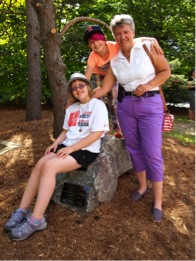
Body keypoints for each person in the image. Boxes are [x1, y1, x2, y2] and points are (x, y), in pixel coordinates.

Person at [3, 73, 109, 240]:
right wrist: (55, 143)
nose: (77, 89)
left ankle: (36, 220)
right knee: (40, 165)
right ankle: (22, 210)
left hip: (85, 150)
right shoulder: (72, 108)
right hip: (67, 145)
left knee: (50, 167)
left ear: (88, 87)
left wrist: (71, 148)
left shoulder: (98, 106)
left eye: (81, 85)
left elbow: (96, 135)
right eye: (74, 88)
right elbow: (66, 131)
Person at [93, 14, 171, 222]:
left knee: (152, 153)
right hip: (126, 107)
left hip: (151, 104)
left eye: (126, 32)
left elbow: (166, 71)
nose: (122, 37)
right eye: (117, 34)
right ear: (114, 37)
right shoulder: (115, 60)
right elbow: (105, 88)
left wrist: (147, 84)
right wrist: (79, 94)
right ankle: (143, 186)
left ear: (133, 32)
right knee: (133, 148)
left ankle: (157, 201)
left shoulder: (147, 47)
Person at [84, 25, 163, 139]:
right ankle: (99, 128)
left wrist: (152, 40)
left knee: (113, 102)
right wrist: (83, 90)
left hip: (113, 75)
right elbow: (87, 75)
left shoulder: (115, 46)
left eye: (98, 39)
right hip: (98, 76)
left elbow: (134, 40)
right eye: (91, 42)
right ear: (89, 45)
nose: (96, 44)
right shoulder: (93, 56)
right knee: (98, 102)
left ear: (105, 38)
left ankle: (117, 128)